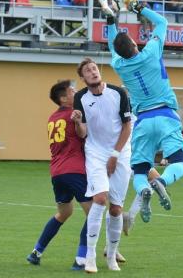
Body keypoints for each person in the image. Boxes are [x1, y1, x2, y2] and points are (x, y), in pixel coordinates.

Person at [99, 0, 183, 227]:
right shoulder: (151, 52)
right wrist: (138, 8)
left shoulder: (119, 65)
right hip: (166, 115)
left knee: (139, 171)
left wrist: (110, 19)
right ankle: (163, 181)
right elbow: (162, 23)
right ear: (134, 43)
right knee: (180, 163)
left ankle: (145, 190)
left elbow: (112, 45)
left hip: (143, 121)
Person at [72, 58, 132, 273]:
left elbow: (127, 127)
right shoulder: (80, 98)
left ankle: (111, 256)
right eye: (88, 70)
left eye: (95, 68)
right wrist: (77, 122)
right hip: (96, 152)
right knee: (99, 198)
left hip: (121, 152)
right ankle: (90, 257)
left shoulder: (118, 93)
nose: (93, 72)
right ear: (83, 77)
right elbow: (83, 133)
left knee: (116, 209)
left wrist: (115, 155)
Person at [27, 80, 92, 270]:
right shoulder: (73, 115)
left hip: (57, 172)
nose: (76, 92)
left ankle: (36, 252)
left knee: (64, 212)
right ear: (63, 98)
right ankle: (80, 259)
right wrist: (80, 122)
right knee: (95, 212)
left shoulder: (52, 118)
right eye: (72, 91)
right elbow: (81, 135)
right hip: (75, 170)